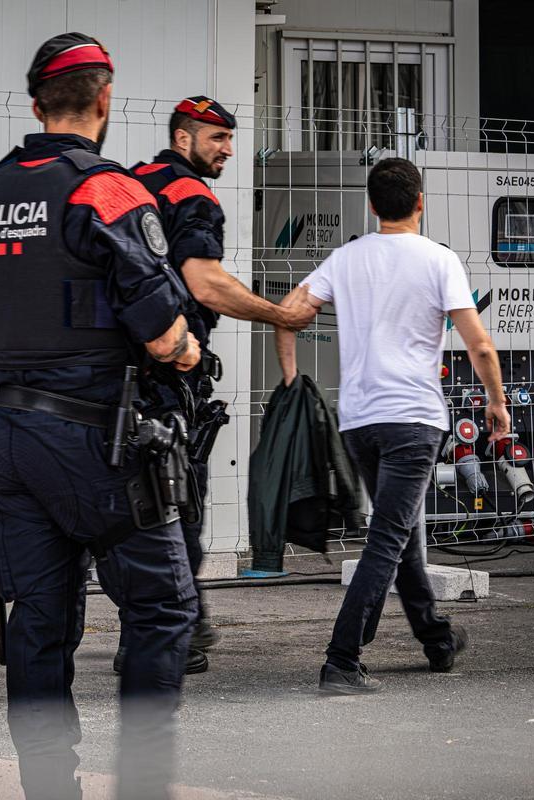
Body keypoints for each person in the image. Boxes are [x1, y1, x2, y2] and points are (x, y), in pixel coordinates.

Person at [0, 32, 200, 800]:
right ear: (104, 100)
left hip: (9, 435)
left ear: (34, 105)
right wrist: (187, 354)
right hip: (96, 437)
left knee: (40, 625)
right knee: (163, 608)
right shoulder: (106, 189)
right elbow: (159, 327)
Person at [275, 156, 511, 694]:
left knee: (398, 533)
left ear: (372, 205)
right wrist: (496, 404)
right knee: (388, 538)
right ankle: (341, 659)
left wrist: (291, 380)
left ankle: (437, 638)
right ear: (420, 203)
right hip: (413, 420)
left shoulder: (345, 259)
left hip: (360, 422)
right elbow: (478, 343)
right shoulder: (439, 261)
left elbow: (287, 311)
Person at [128, 95, 313, 673]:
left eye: (230, 139)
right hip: (168, 377)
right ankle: (176, 633)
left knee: (136, 510)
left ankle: (156, 630)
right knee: (178, 505)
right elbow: (206, 285)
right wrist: (280, 316)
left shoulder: (132, 182)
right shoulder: (190, 195)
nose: (228, 150)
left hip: (117, 379)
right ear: (183, 139)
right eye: (216, 139)